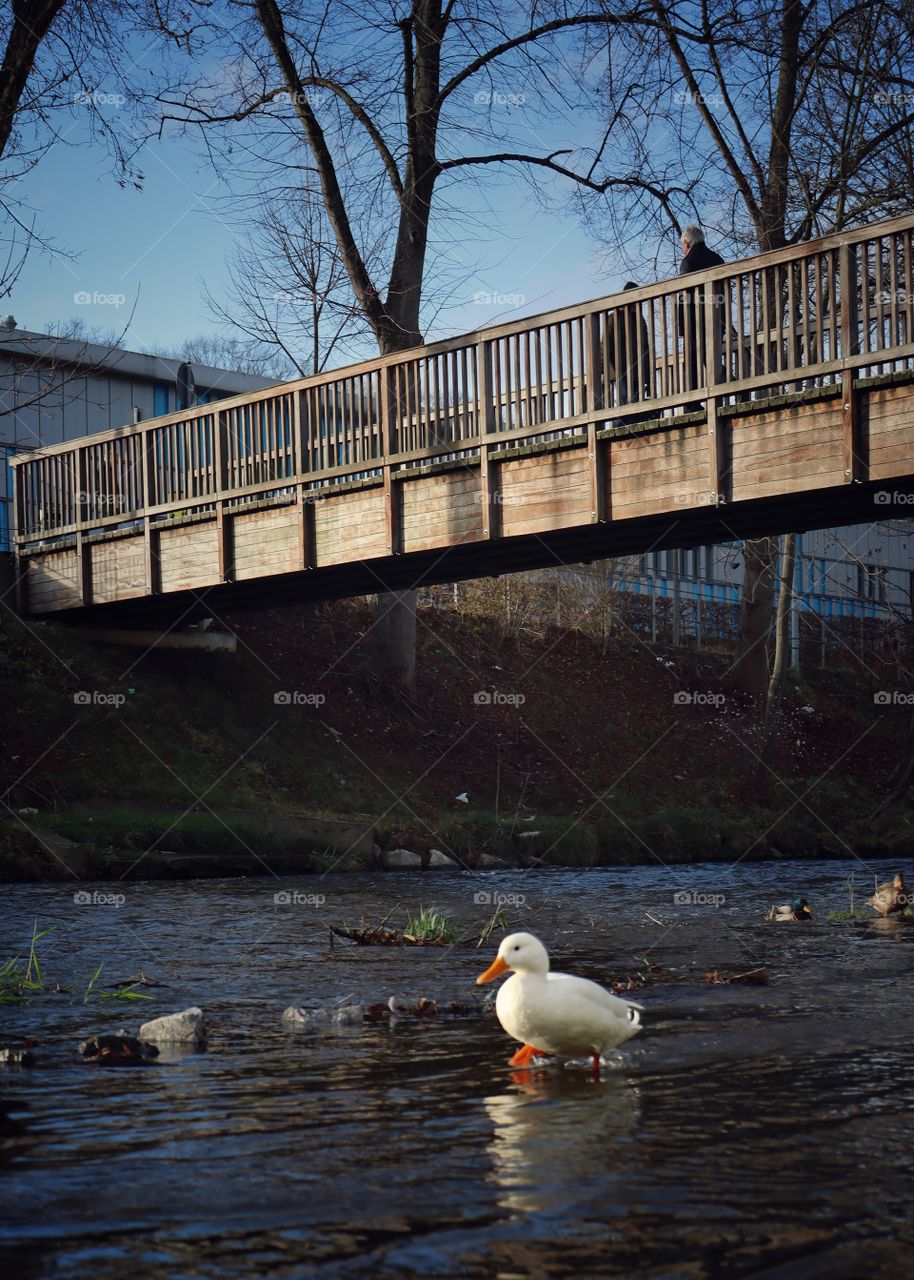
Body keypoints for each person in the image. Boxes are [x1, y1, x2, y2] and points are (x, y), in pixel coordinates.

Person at [677, 224, 725, 412]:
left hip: (695, 321)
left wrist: (683, 326)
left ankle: (692, 402)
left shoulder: (688, 262)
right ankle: (732, 384)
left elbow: (685, 297)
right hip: (716, 318)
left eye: (682, 245)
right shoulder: (717, 259)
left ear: (687, 243)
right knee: (711, 357)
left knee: (692, 361)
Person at [607, 281, 653, 425]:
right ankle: (619, 428)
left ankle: (627, 428)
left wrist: (648, 376)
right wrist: (603, 370)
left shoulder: (640, 320)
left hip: (637, 371)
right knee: (625, 404)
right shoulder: (615, 317)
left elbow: (646, 348)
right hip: (619, 370)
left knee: (635, 405)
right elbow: (605, 345)